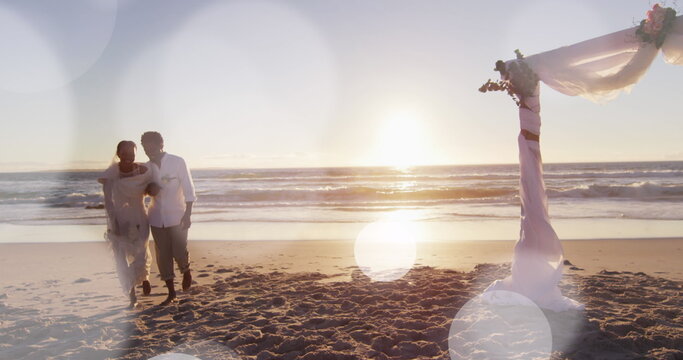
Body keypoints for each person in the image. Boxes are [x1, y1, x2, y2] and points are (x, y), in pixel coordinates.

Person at [100, 140, 159, 308]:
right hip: (119, 218)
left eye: (132, 154)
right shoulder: (111, 173)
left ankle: (144, 277)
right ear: (118, 154)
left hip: (139, 216)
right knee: (122, 257)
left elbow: (153, 186)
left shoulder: (144, 170)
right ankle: (132, 295)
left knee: (141, 251)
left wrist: (154, 188)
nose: (128, 157)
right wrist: (114, 222)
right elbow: (108, 200)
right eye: (124, 154)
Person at [141, 131, 196, 306]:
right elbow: (141, 190)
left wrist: (188, 213)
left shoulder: (177, 162)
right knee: (163, 255)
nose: (150, 151)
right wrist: (149, 190)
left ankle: (186, 269)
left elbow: (188, 188)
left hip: (178, 214)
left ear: (161, 144)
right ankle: (171, 292)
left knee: (179, 250)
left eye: (152, 147)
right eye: (146, 148)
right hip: (156, 217)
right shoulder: (146, 168)